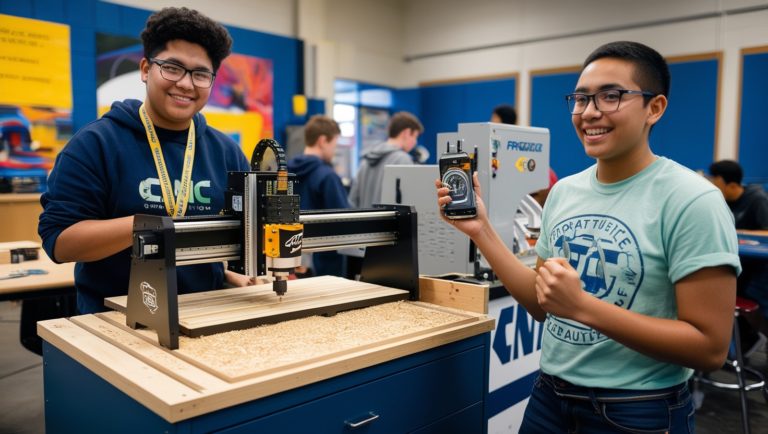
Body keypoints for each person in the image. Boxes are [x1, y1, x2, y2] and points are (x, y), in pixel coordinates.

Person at [437, 41, 740, 433]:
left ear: (655, 108)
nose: (589, 112)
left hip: (638, 410)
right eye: (581, 99)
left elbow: (710, 347)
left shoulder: (692, 200)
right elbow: (545, 305)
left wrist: (584, 306)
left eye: (610, 96)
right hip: (549, 396)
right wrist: (481, 230)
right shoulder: (564, 192)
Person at [38, 7, 253, 314]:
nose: (186, 84)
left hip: (205, 315)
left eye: (200, 74)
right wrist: (150, 226)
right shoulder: (95, 144)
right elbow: (59, 242)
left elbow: (237, 235)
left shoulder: (227, 152)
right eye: (172, 68)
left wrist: (230, 275)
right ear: (144, 69)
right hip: (114, 321)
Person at [709, 159, 768, 356]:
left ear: (731, 185)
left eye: (715, 180)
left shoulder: (757, 198)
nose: (711, 183)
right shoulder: (720, 201)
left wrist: (739, 233)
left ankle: (753, 337)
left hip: (758, 270)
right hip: (737, 265)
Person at [287, 115, 349, 277]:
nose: (334, 151)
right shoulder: (327, 177)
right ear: (322, 141)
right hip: (324, 266)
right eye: (334, 144)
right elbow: (344, 221)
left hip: (291, 259)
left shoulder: (285, 173)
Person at [348, 111, 423, 208]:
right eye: (415, 136)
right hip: (389, 223)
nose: (415, 142)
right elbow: (409, 202)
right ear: (406, 133)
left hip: (365, 222)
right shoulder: (403, 160)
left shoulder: (365, 160)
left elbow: (352, 200)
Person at [489, 104, 557, 207]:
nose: (490, 122)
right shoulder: (518, 146)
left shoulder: (504, 151)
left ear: (499, 121)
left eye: (493, 120)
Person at [708, 159, 768, 230]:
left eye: (717, 187)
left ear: (733, 186)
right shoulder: (719, 201)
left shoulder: (758, 200)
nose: (713, 190)